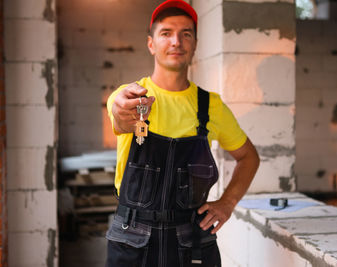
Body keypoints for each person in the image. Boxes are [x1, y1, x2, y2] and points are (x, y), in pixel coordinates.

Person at [105, 0, 260, 266]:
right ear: (151, 43)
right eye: (166, 33)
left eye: (186, 33)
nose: (176, 41)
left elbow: (249, 157)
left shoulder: (211, 106)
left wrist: (228, 202)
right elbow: (121, 120)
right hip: (133, 240)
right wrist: (122, 112)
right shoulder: (129, 97)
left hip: (191, 242)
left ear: (195, 44)